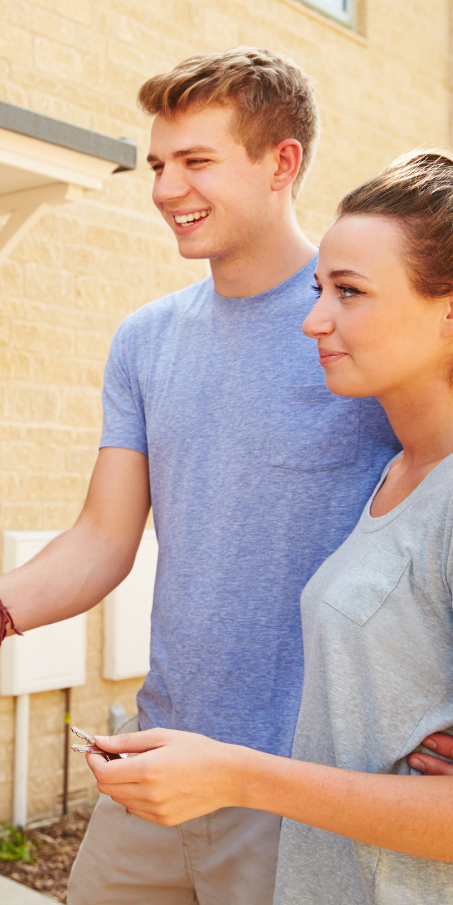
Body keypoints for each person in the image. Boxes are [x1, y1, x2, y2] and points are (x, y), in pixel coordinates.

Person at [0, 48, 402, 903]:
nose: (167, 189)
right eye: (159, 165)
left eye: (197, 162)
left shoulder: (359, 323)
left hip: (303, 782)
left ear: (281, 163)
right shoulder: (146, 339)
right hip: (156, 762)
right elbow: (104, 538)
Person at [85, 149, 453, 904]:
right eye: (321, 288)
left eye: (349, 292)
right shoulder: (394, 474)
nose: (314, 319)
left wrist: (238, 773)